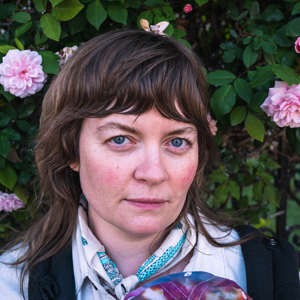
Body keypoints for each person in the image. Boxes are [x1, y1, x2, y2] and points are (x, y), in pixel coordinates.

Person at [0, 29, 299, 300]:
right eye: (120, 140)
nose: (153, 173)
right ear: (70, 149)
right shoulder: (11, 285)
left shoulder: (274, 276)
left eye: (177, 142)